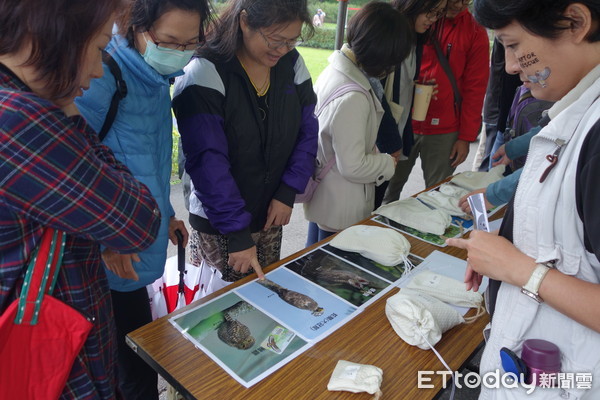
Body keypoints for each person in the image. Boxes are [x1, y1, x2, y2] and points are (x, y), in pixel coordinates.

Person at [0, 0, 162, 398]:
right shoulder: (21, 120)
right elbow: (140, 221)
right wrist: (69, 110)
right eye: (99, 47)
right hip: (61, 371)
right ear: (52, 32)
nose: (96, 70)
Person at [447, 1, 600, 398]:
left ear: (575, 22)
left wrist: (519, 269)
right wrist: (505, 254)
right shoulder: (574, 115)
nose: (512, 66)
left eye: (513, 45)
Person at [75, 0, 210, 397]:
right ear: (135, 26)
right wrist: (106, 237)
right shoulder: (103, 75)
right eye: (169, 41)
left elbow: (148, 163)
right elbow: (77, 170)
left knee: (136, 351)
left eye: (191, 44)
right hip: (108, 250)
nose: (179, 54)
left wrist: (167, 214)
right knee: (125, 365)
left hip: (137, 237)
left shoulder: (153, 78)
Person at [172, 0, 318, 283]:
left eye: (292, 40)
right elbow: (207, 162)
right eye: (275, 40)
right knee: (219, 307)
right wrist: (237, 234)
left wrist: (288, 191)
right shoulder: (205, 70)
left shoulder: (292, 62)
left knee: (263, 296)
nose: (283, 50)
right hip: (220, 221)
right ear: (244, 21)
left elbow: (308, 130)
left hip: (271, 210)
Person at [303, 1, 412, 245]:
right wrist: (387, 162)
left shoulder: (335, 70)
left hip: (328, 195)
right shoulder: (353, 97)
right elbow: (352, 166)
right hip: (340, 203)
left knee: (314, 256)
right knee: (329, 268)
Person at [386, 0, 489, 200]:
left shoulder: (475, 31)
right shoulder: (417, 19)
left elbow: (475, 88)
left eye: (467, 1)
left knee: (439, 197)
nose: (460, 5)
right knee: (387, 190)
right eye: (456, 0)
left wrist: (465, 137)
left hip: (446, 130)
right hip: (404, 121)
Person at [377, 0, 447, 206]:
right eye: (430, 12)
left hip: (395, 131)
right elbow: (376, 91)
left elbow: (400, 81)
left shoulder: (414, 38)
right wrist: (392, 143)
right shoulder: (388, 30)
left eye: (438, 14)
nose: (433, 20)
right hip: (380, 137)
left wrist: (416, 86)